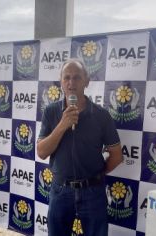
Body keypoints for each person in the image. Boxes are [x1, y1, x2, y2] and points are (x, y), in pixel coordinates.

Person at [37, 58, 123, 236]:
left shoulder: (102, 116)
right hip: (60, 191)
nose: (71, 82)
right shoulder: (51, 112)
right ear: (61, 82)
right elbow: (41, 152)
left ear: (87, 81)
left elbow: (116, 156)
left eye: (77, 77)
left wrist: (96, 174)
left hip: (93, 191)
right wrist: (63, 125)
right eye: (66, 77)